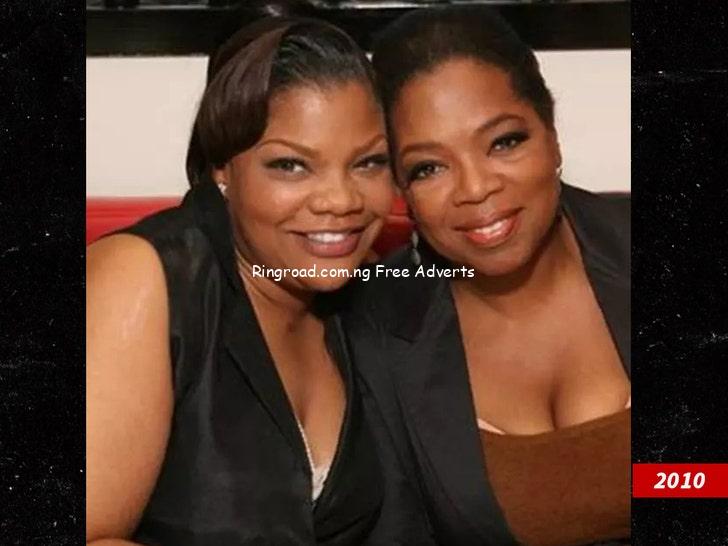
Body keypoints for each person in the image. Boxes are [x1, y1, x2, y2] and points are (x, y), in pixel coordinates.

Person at [86, 16, 402, 545]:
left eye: (368, 163)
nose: (341, 200)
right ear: (222, 168)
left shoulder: (360, 287)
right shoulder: (143, 278)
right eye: (291, 166)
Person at [344, 6, 631, 546]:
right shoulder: (374, 328)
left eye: (504, 141)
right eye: (429, 167)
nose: (475, 189)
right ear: (401, 188)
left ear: (551, 134)